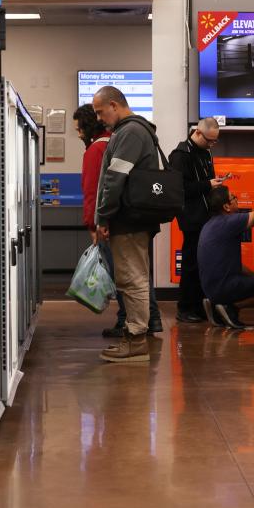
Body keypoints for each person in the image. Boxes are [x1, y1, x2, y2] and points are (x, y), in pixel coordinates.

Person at [73, 105, 162, 339]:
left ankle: (134, 329)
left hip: (119, 220)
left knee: (127, 277)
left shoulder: (108, 143)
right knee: (137, 274)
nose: (79, 134)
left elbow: (98, 188)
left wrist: (96, 222)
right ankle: (145, 321)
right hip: (135, 217)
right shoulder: (126, 136)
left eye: (79, 129)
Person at [93, 86, 163, 363]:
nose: (99, 118)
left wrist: (103, 215)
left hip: (128, 219)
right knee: (132, 277)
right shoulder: (132, 130)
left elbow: (114, 178)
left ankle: (136, 341)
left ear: (114, 105)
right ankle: (134, 337)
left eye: (101, 112)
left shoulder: (131, 132)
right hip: (132, 218)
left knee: (132, 279)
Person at [198, 185, 254, 330]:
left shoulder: (209, 225)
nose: (237, 199)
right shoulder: (229, 222)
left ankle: (217, 306)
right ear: (226, 206)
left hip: (211, 289)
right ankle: (231, 307)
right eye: (233, 197)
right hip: (225, 287)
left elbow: (238, 267)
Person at [168, 118, 226, 323]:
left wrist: (214, 185)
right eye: (210, 140)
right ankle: (185, 308)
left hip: (207, 215)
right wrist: (208, 185)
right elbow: (179, 189)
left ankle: (200, 306)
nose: (212, 145)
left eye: (215, 141)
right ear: (198, 133)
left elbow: (205, 182)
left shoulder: (205, 152)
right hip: (192, 217)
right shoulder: (180, 155)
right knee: (191, 263)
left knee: (204, 263)